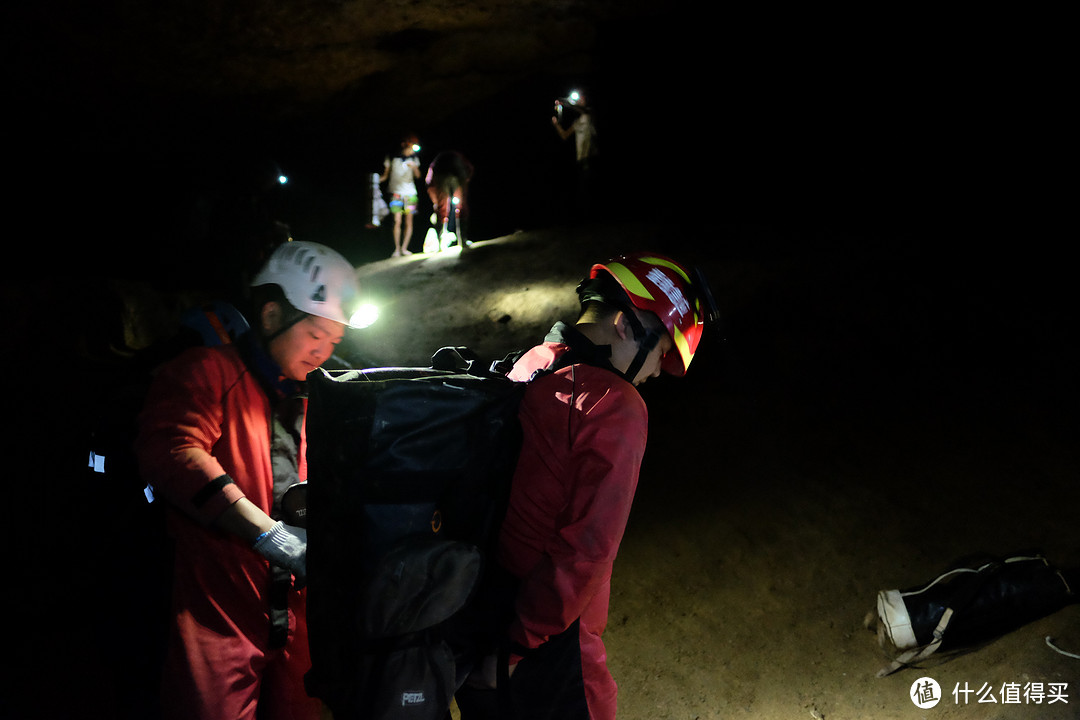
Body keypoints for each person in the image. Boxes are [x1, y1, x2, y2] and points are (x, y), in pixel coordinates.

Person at [135, 240, 363, 720]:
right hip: (217, 613)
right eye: (316, 333)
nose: (323, 350)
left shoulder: (321, 395)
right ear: (272, 315)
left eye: (335, 341)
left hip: (299, 615)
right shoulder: (208, 372)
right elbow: (172, 449)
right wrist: (268, 534)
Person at [489, 252, 717, 720]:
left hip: (488, 607)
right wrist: (518, 647)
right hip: (548, 641)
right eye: (661, 353)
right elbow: (586, 553)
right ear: (624, 324)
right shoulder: (618, 406)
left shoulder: (535, 362)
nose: (656, 372)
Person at [551, 91, 599, 214]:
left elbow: (581, 109)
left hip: (592, 156)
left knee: (591, 185)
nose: (579, 100)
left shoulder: (590, 114)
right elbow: (565, 135)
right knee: (583, 187)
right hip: (581, 158)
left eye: (581, 98)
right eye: (579, 98)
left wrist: (566, 101)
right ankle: (586, 215)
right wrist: (556, 125)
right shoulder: (577, 122)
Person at [379, 135, 423, 257]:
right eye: (411, 146)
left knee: (409, 221)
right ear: (404, 144)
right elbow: (385, 175)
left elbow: (418, 176)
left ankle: (404, 248)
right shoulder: (392, 157)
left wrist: (414, 168)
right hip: (396, 193)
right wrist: (376, 180)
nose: (412, 149)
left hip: (411, 194)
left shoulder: (414, 159)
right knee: (396, 220)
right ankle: (397, 249)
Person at [425, 149, 474, 248]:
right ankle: (461, 241)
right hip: (451, 174)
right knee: (457, 206)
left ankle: (442, 244)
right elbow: (470, 169)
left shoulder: (440, 161)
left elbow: (429, 182)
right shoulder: (456, 158)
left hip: (453, 174)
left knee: (444, 207)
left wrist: (436, 203)